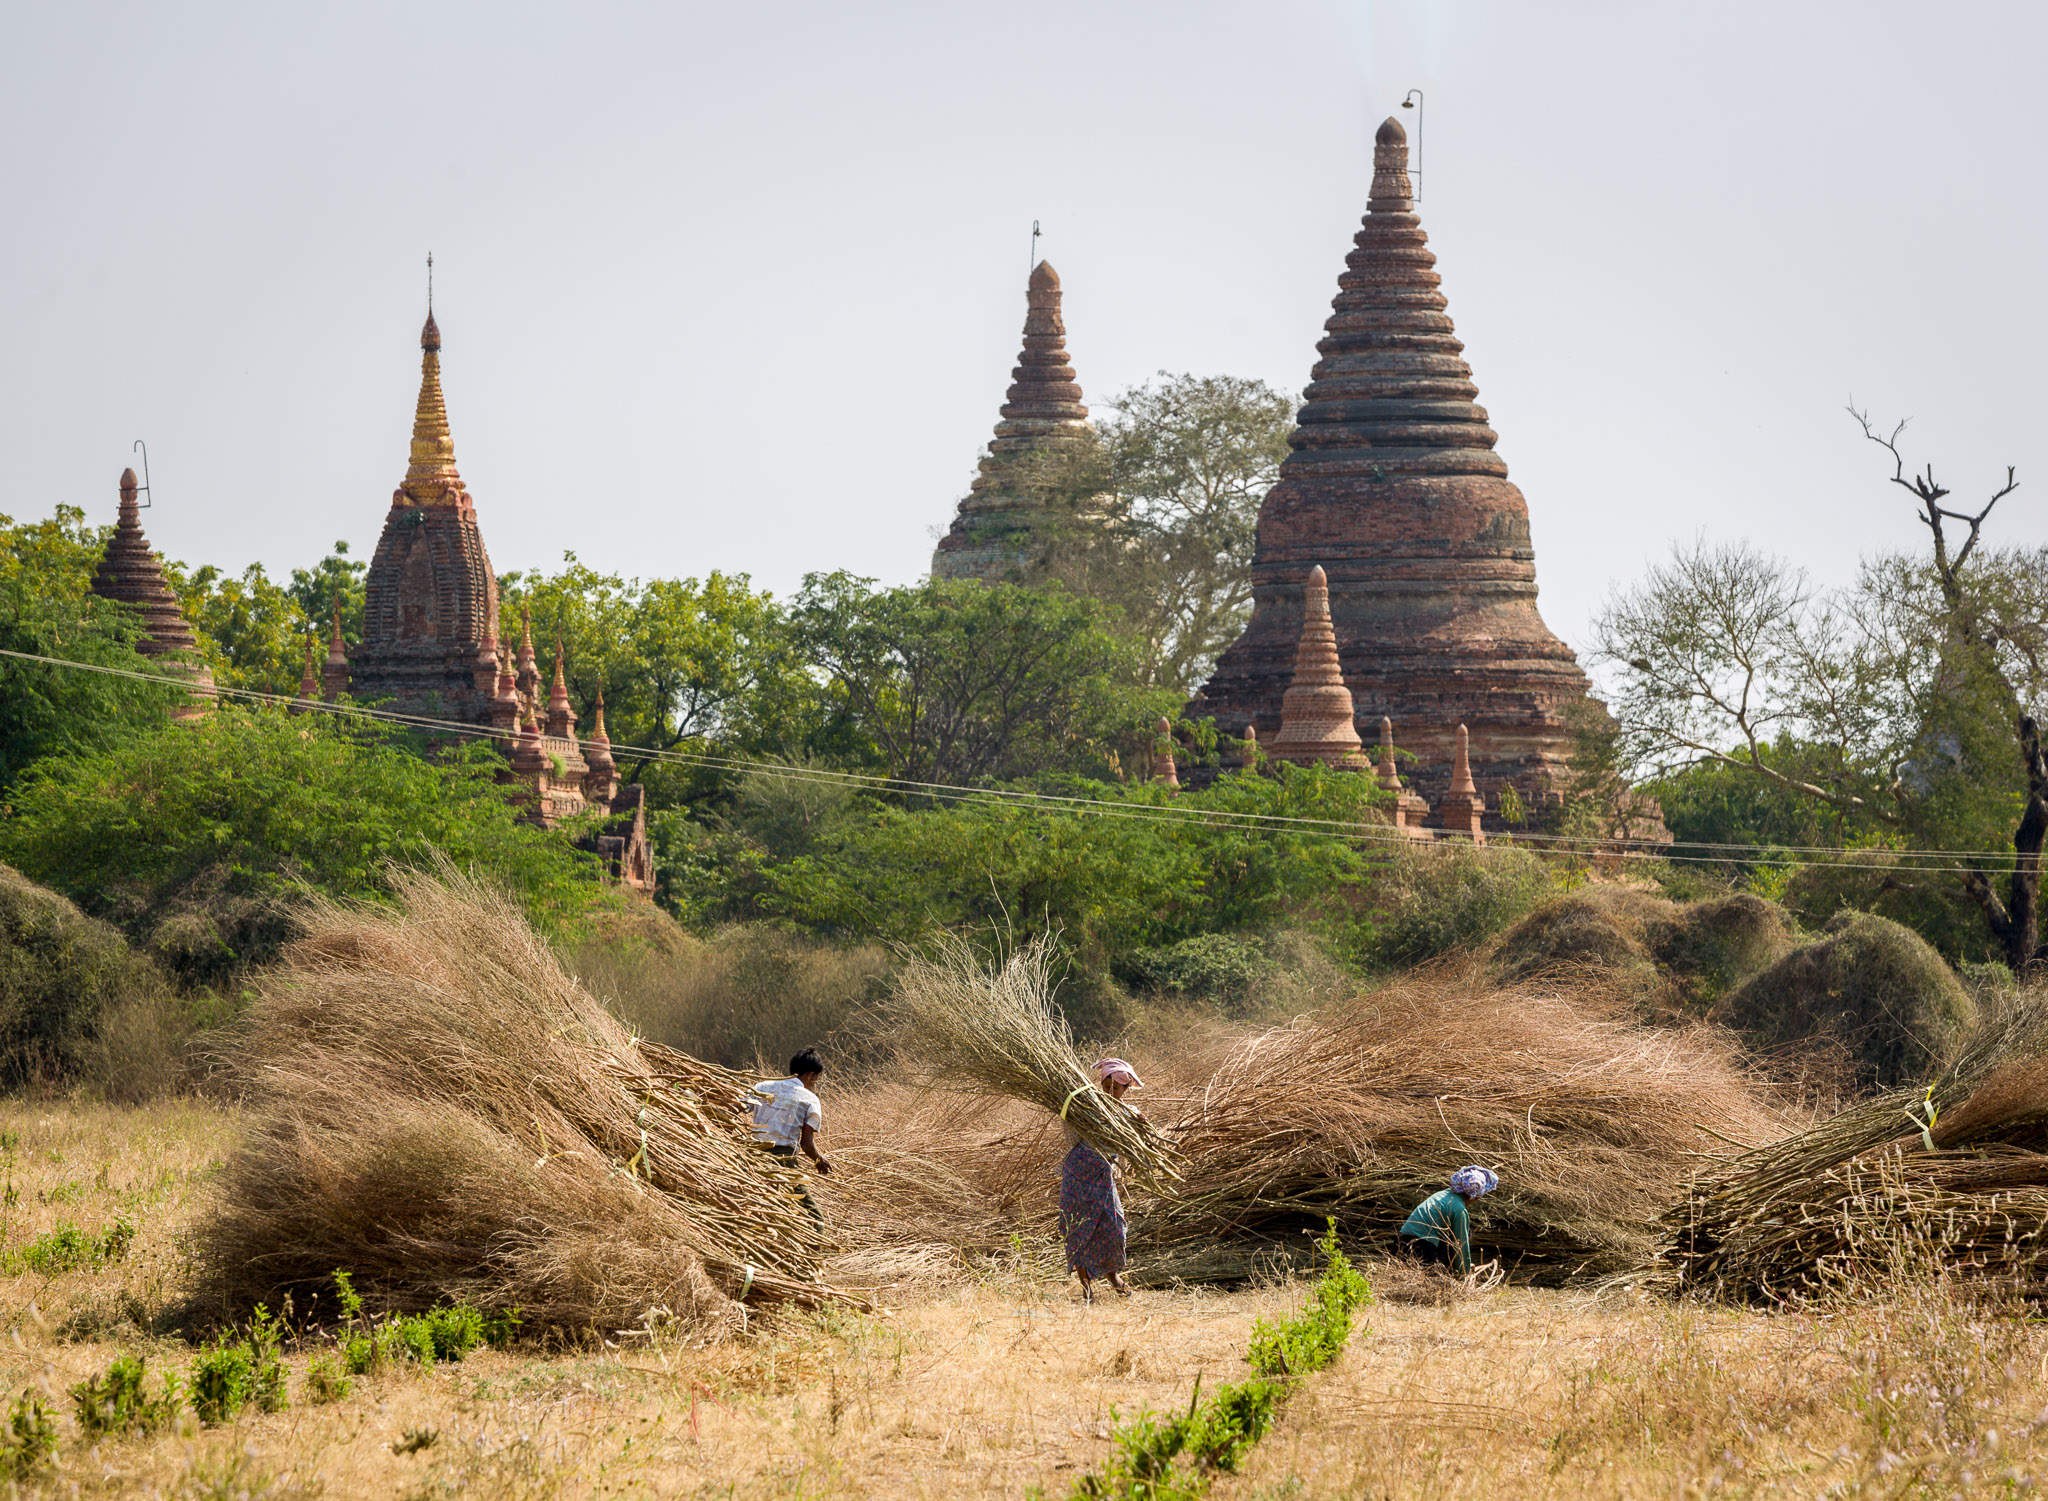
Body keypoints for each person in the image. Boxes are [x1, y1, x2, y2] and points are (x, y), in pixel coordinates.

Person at [1060, 1057, 1142, 1303]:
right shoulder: (1087, 1105)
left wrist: (1140, 1124)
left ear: (1126, 1089)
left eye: (1115, 1088)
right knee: (1079, 1228)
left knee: (1113, 1227)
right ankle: (1086, 1290)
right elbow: (1070, 1128)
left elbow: (1134, 1138)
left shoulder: (1128, 1113)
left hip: (1103, 1176)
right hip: (1079, 1172)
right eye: (1106, 1086)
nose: (1109, 1092)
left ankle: (1114, 1278)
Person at [749, 1047, 832, 1217]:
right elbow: (806, 1144)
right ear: (810, 1075)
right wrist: (819, 1160)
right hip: (783, 1160)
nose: (813, 1084)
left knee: (762, 1208)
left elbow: (734, 1108)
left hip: (752, 1159)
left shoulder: (762, 1086)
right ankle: (815, 1242)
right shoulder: (809, 1099)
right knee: (814, 1217)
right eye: (814, 1080)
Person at [1397, 1166, 1498, 1276]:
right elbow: (1460, 1246)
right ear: (1473, 1197)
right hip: (1422, 1248)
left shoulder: (1443, 1194)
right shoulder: (1459, 1210)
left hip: (1401, 1242)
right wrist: (1463, 1274)